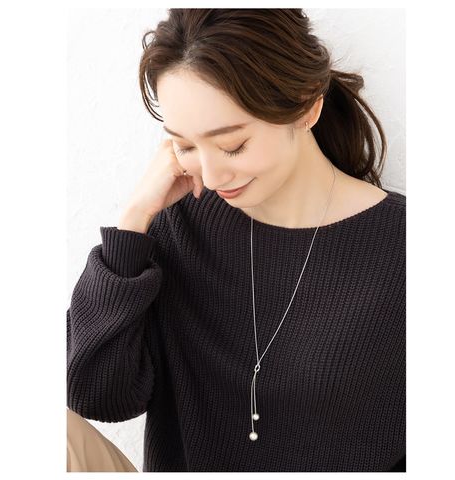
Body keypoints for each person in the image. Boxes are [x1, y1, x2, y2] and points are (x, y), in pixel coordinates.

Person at [67, 8, 405, 472]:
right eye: (185, 146)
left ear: (307, 106)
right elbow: (97, 395)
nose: (210, 176)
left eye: (231, 145)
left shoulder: (407, 248)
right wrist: (133, 223)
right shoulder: (179, 224)